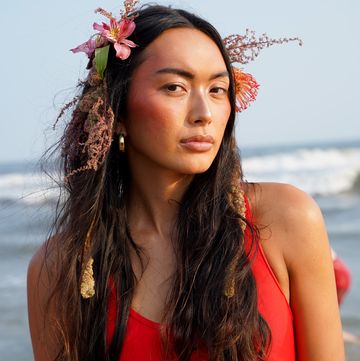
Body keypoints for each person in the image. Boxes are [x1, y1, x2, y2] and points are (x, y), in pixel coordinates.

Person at [27, 1, 345, 360]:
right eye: (175, 88)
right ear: (115, 110)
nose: (204, 114)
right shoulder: (61, 267)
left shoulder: (286, 219)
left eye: (217, 90)